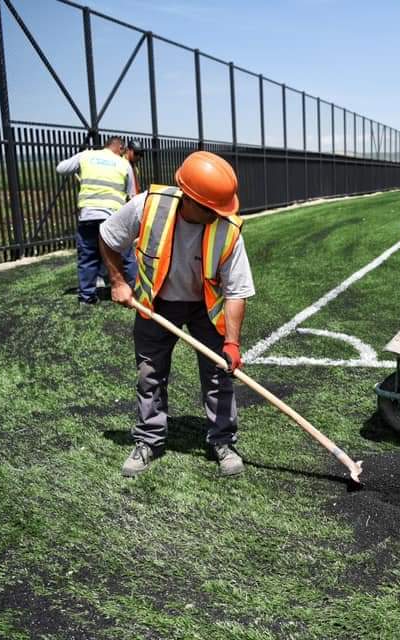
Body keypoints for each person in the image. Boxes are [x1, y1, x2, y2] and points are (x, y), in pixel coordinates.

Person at [99, 151, 255, 477]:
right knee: (149, 374)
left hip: (205, 308)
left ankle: (222, 441)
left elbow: (236, 291)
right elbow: (107, 236)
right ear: (190, 199)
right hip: (154, 303)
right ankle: (149, 440)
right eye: (211, 209)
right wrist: (117, 282)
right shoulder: (148, 206)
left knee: (219, 373)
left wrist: (232, 343)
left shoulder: (228, 229)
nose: (218, 215)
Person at [56, 136, 137, 305]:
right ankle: (135, 292)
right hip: (113, 218)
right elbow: (132, 197)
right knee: (125, 255)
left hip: (89, 216)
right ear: (120, 148)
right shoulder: (123, 164)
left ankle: (87, 297)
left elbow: (60, 168)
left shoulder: (86, 156)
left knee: (88, 256)